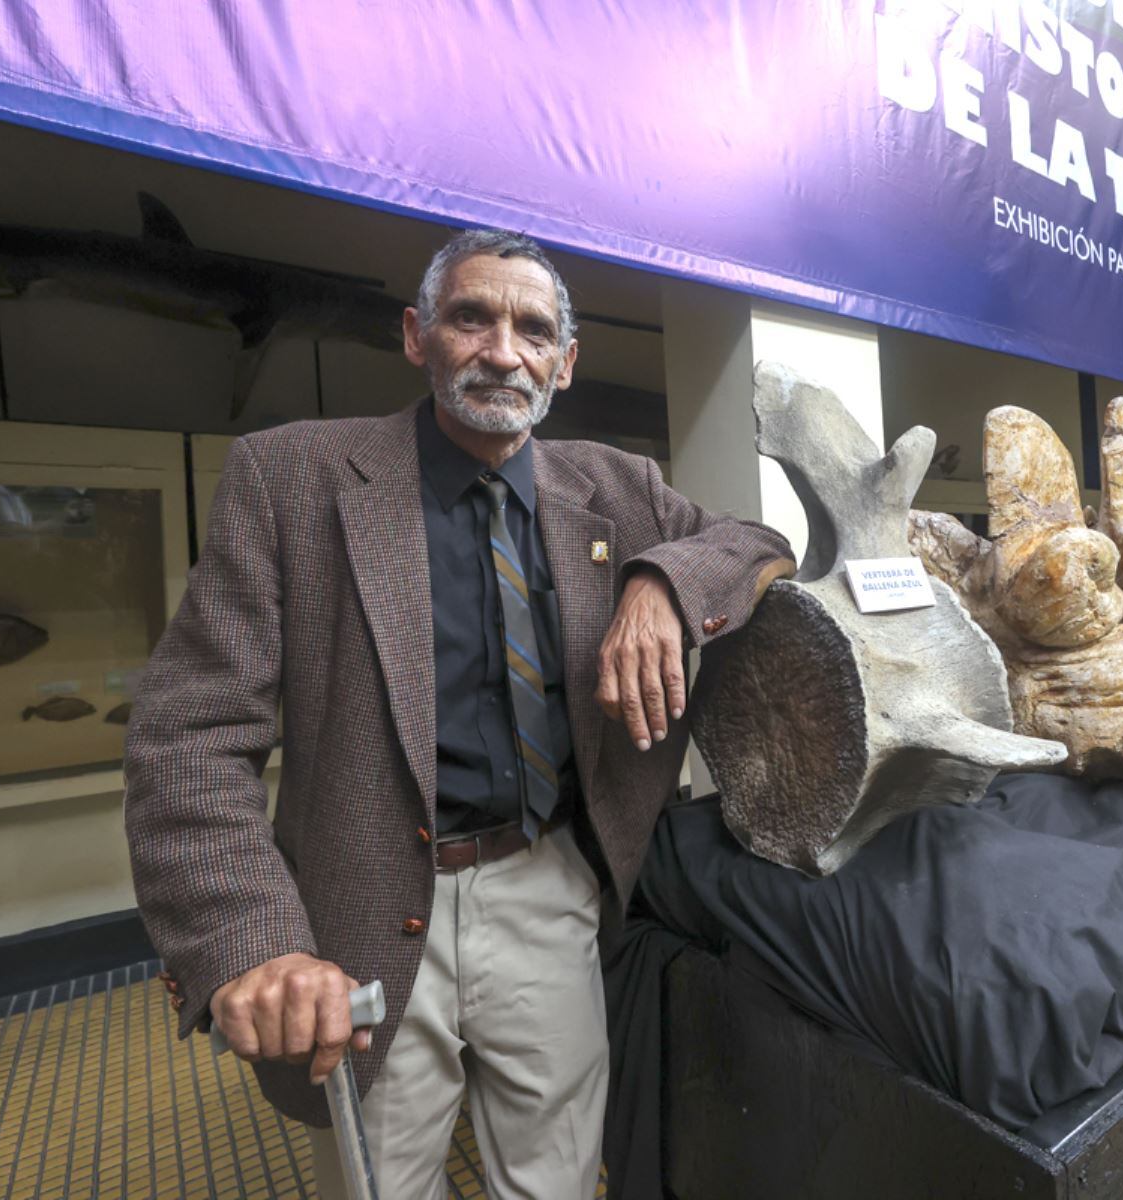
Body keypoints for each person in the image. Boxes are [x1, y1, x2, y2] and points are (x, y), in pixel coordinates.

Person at [123, 229, 794, 1198]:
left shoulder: (621, 489)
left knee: (556, 1177)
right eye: (471, 316)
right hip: (361, 908)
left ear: (564, 363)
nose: (501, 349)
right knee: (383, 1186)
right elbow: (187, 737)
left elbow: (757, 544)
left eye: (532, 329)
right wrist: (258, 944)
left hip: (550, 888)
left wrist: (661, 584)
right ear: (417, 335)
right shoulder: (291, 479)